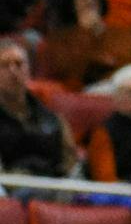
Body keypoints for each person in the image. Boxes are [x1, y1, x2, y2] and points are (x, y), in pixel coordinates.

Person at [38, 0, 131, 91]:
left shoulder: (121, 34)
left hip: (130, 89)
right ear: (71, 3)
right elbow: (72, 76)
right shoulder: (57, 40)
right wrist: (86, 33)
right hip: (84, 96)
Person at [0, 36, 80, 180]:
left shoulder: (53, 118)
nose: (13, 71)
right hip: (9, 192)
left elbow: (70, 163)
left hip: (53, 187)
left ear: (28, 70)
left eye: (19, 64)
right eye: (5, 65)